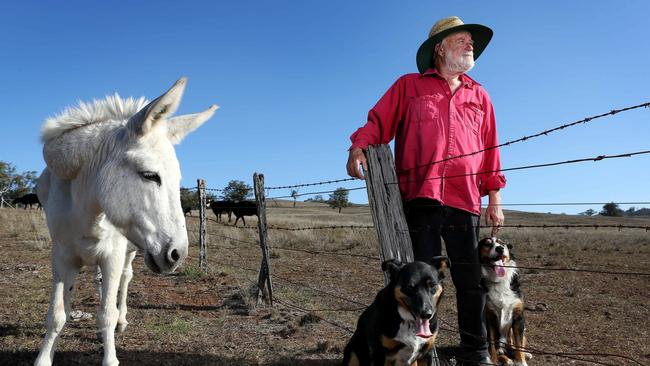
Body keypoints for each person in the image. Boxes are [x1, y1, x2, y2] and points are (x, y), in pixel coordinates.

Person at [345, 16, 506, 366]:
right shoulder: (409, 86)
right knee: (420, 282)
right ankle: (421, 348)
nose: (470, 45)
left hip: (466, 201)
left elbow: (491, 148)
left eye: (471, 41)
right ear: (440, 48)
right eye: (462, 39)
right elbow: (378, 123)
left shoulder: (480, 96)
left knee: (469, 283)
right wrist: (359, 146)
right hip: (422, 199)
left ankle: (475, 354)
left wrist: (494, 196)